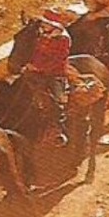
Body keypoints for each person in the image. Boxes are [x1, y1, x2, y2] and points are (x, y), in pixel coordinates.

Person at [25, 8, 76, 146]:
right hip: (35, 69)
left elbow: (57, 60)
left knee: (57, 99)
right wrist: (30, 64)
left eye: (46, 23)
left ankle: (57, 130)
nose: (43, 25)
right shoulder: (42, 35)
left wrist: (38, 67)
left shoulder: (63, 39)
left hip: (55, 73)